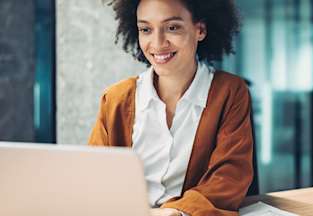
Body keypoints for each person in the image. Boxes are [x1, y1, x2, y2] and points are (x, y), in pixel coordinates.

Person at [88, 0, 253, 215]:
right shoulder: (116, 99)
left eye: (172, 27)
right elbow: (93, 175)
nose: (157, 43)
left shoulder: (229, 92)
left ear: (200, 30)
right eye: (146, 29)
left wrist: (178, 211)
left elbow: (230, 176)